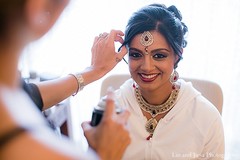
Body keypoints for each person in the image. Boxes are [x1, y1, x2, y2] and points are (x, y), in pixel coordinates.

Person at [0, 0, 130, 160]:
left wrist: (94, 70)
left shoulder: (11, 92)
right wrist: (104, 155)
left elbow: (31, 94)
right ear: (39, 8)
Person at [102, 3, 224, 159]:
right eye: (136, 54)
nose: (146, 67)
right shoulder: (111, 109)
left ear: (177, 55)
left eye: (159, 55)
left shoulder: (206, 118)